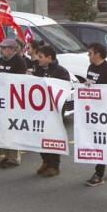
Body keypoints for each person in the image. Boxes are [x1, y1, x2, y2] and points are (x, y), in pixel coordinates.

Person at [84, 42, 107, 186]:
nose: (88, 55)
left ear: (98, 54)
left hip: (105, 111)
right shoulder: (91, 67)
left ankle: (99, 174)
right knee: (98, 141)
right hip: (93, 110)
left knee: (101, 141)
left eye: (90, 53)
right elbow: (90, 83)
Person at [31, 45, 70, 178]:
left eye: (41, 57)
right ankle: (45, 160)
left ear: (49, 58)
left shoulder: (61, 72)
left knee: (53, 137)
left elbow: (63, 90)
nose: (38, 59)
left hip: (54, 110)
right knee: (40, 135)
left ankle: (54, 165)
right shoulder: (38, 69)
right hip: (40, 108)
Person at [0, 38, 27, 168]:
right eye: (0, 47)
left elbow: (19, 81)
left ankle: (14, 158)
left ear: (12, 50)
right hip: (2, 100)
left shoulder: (19, 62)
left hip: (13, 101)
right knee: (3, 129)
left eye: (4, 48)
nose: (1, 50)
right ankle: (7, 155)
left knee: (11, 129)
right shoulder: (1, 60)